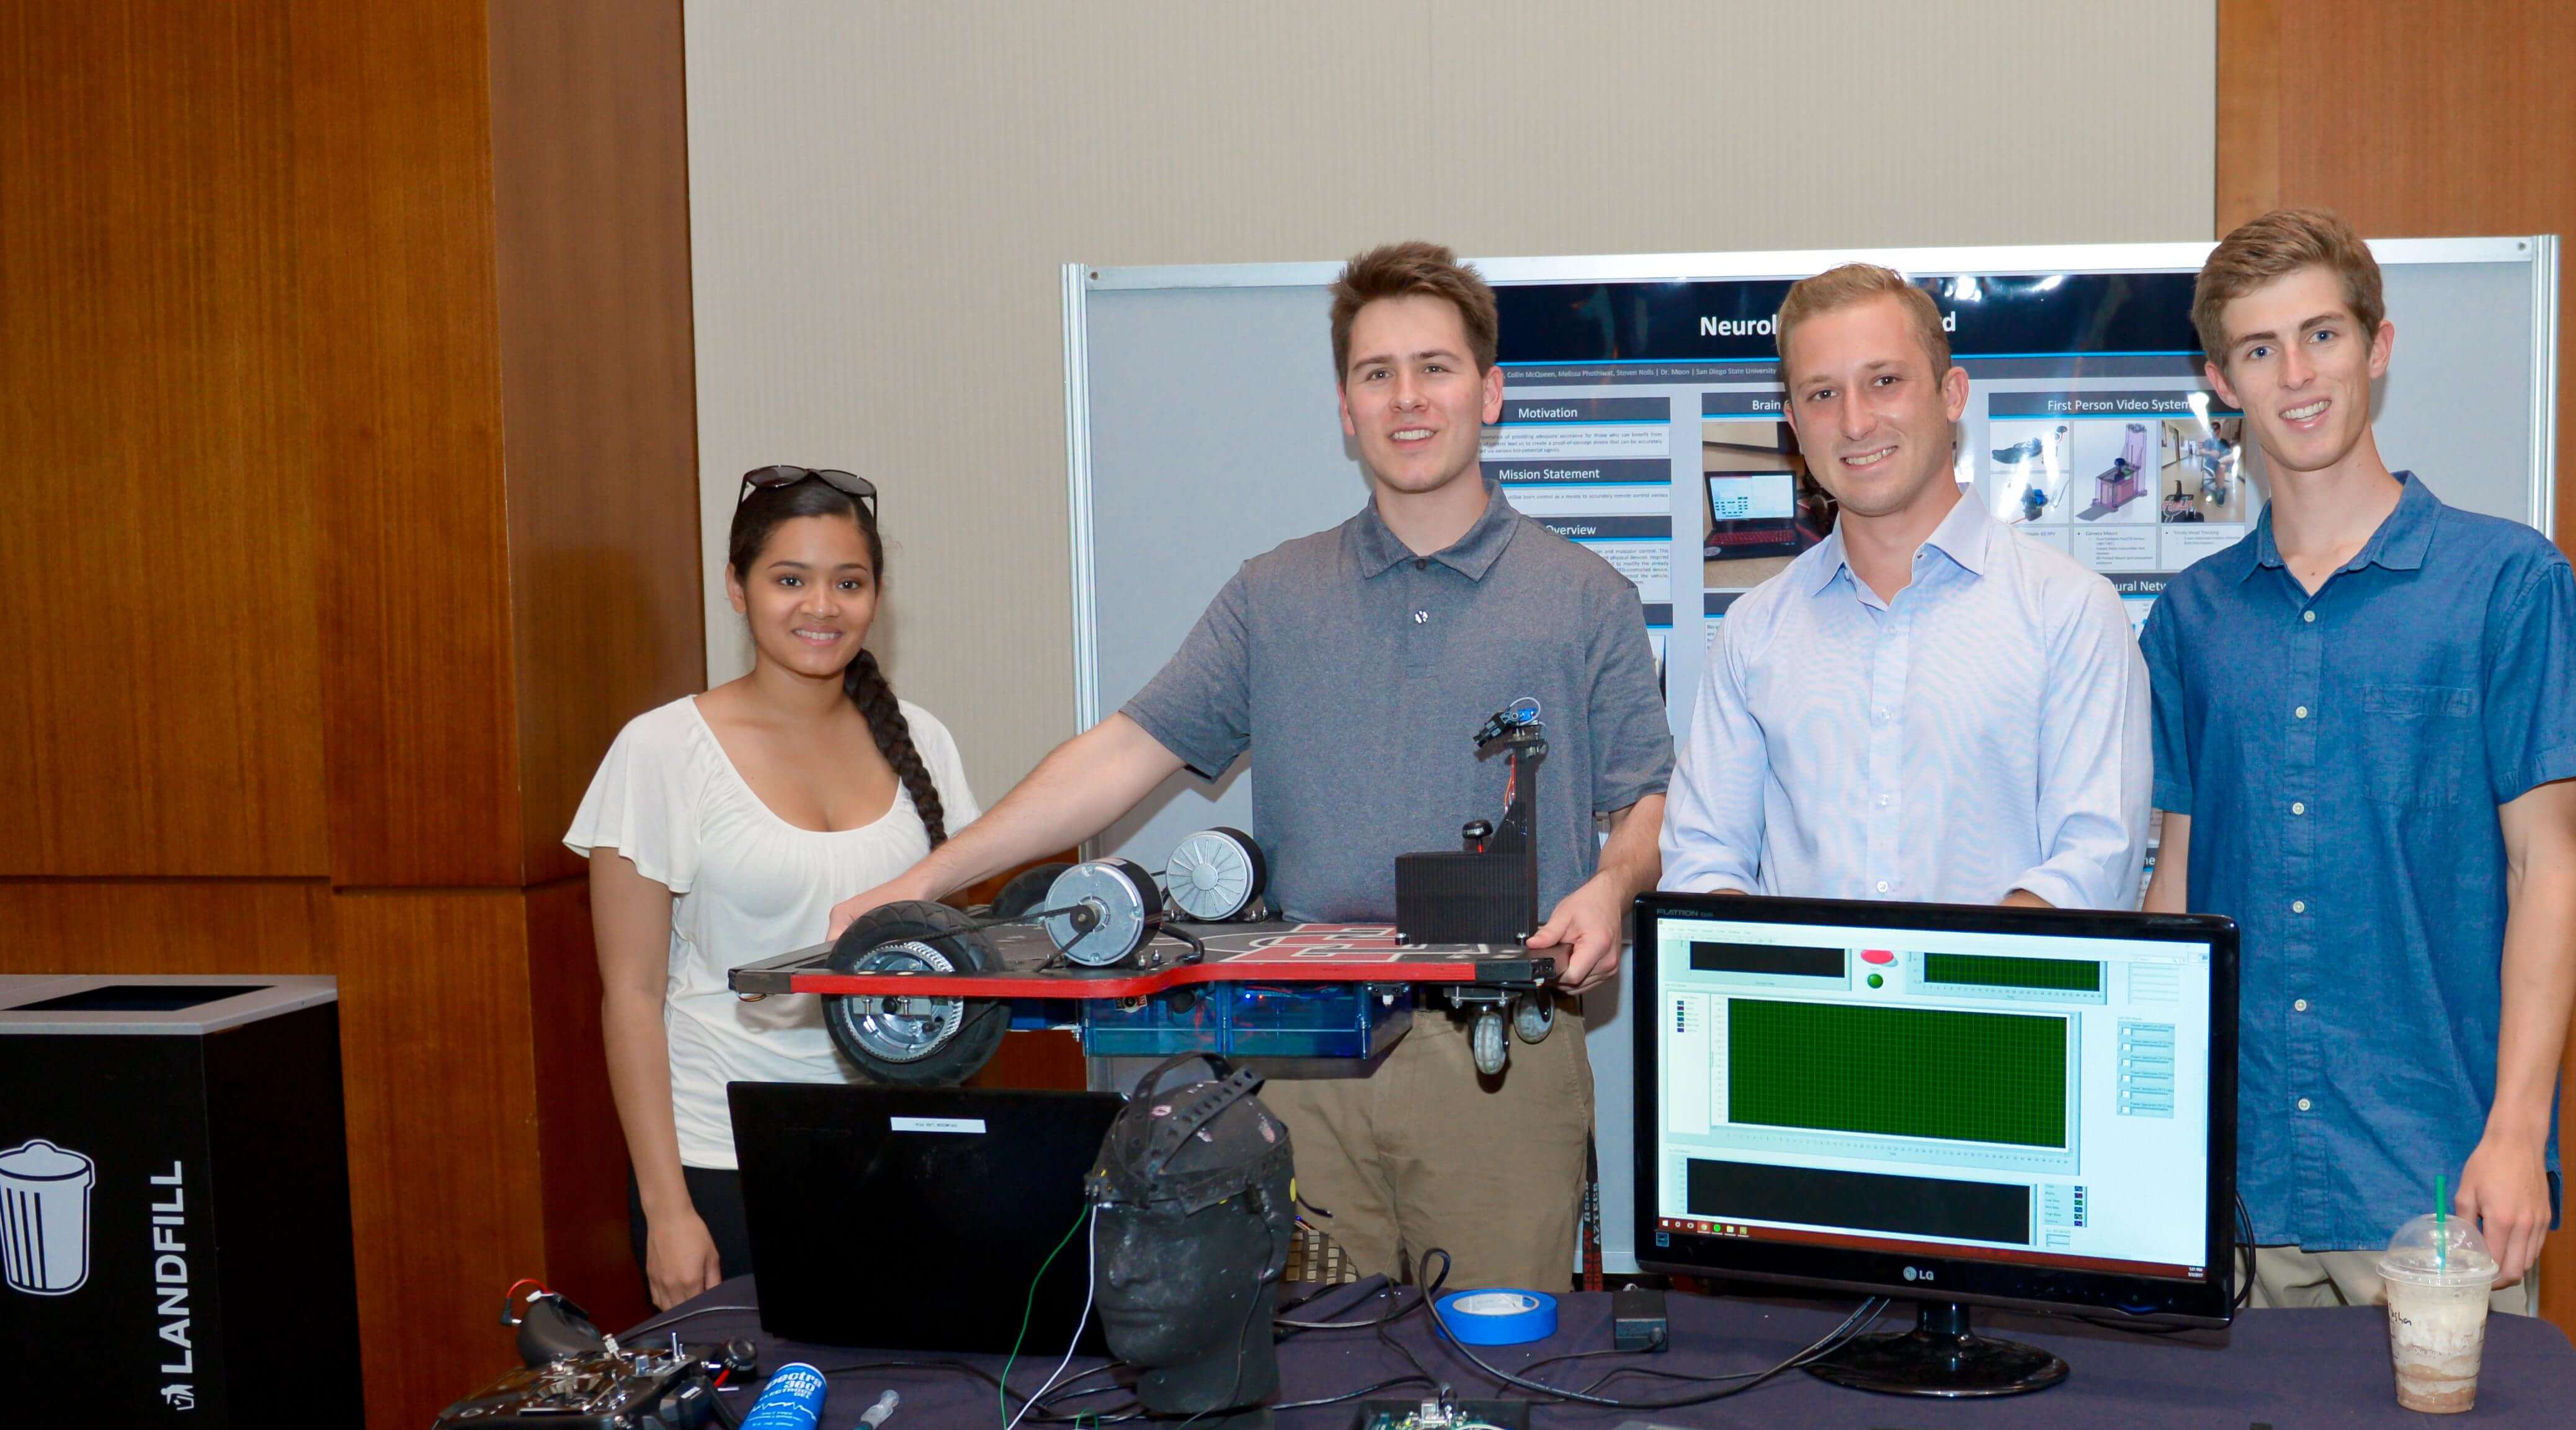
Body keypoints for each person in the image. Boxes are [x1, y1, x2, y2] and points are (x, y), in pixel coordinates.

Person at [829, 242, 1673, 1294]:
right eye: (1376, 374)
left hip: (1500, 1065)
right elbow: (1122, 754)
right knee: (1308, 1387)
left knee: (1498, 1390)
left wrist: (1612, 882)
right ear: (1344, 408)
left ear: (1490, 393)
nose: (1407, 399)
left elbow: (1641, 799)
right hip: (1299, 1063)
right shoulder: (1274, 594)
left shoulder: (1581, 596)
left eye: (1435, 368)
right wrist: (919, 888)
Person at [2141, 208, 2576, 1308]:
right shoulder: (2191, 617)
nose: (2295, 376)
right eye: (2258, 351)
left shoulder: (2507, 584)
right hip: (2235, 1186)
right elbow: (2174, 883)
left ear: (2377, 347)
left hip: (2434, 1181)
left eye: (2321, 337)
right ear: (2221, 382)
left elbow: (2548, 871)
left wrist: (2515, 1134)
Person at [568, 467, 982, 1307]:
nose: (821, 606)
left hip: (893, 1151)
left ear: (877, 597)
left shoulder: (923, 740)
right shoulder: (662, 750)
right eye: (789, 579)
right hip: (723, 1162)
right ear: (737, 587)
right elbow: (632, 996)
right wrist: (667, 1208)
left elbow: (956, 972)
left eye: (848, 582)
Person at [1659, 262, 2150, 909]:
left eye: (1884, 381)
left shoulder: (2070, 612)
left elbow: (2094, 863)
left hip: (1999, 1008)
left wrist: (1932, 996)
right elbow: (1702, 860)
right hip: (1803, 1013)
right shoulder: (1756, 630)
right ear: (1794, 424)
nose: (1856, 422)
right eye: (1822, 394)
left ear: (1952, 395)